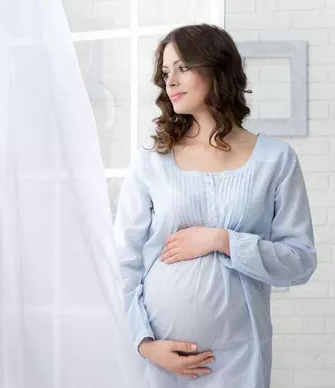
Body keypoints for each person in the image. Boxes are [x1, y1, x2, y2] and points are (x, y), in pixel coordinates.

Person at [114, 24, 317, 388]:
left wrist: (223, 240)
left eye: (183, 67)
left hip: (241, 356)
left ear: (216, 69)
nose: (170, 81)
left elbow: (299, 262)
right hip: (162, 359)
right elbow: (122, 264)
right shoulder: (152, 162)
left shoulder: (275, 160)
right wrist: (144, 344)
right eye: (165, 72)